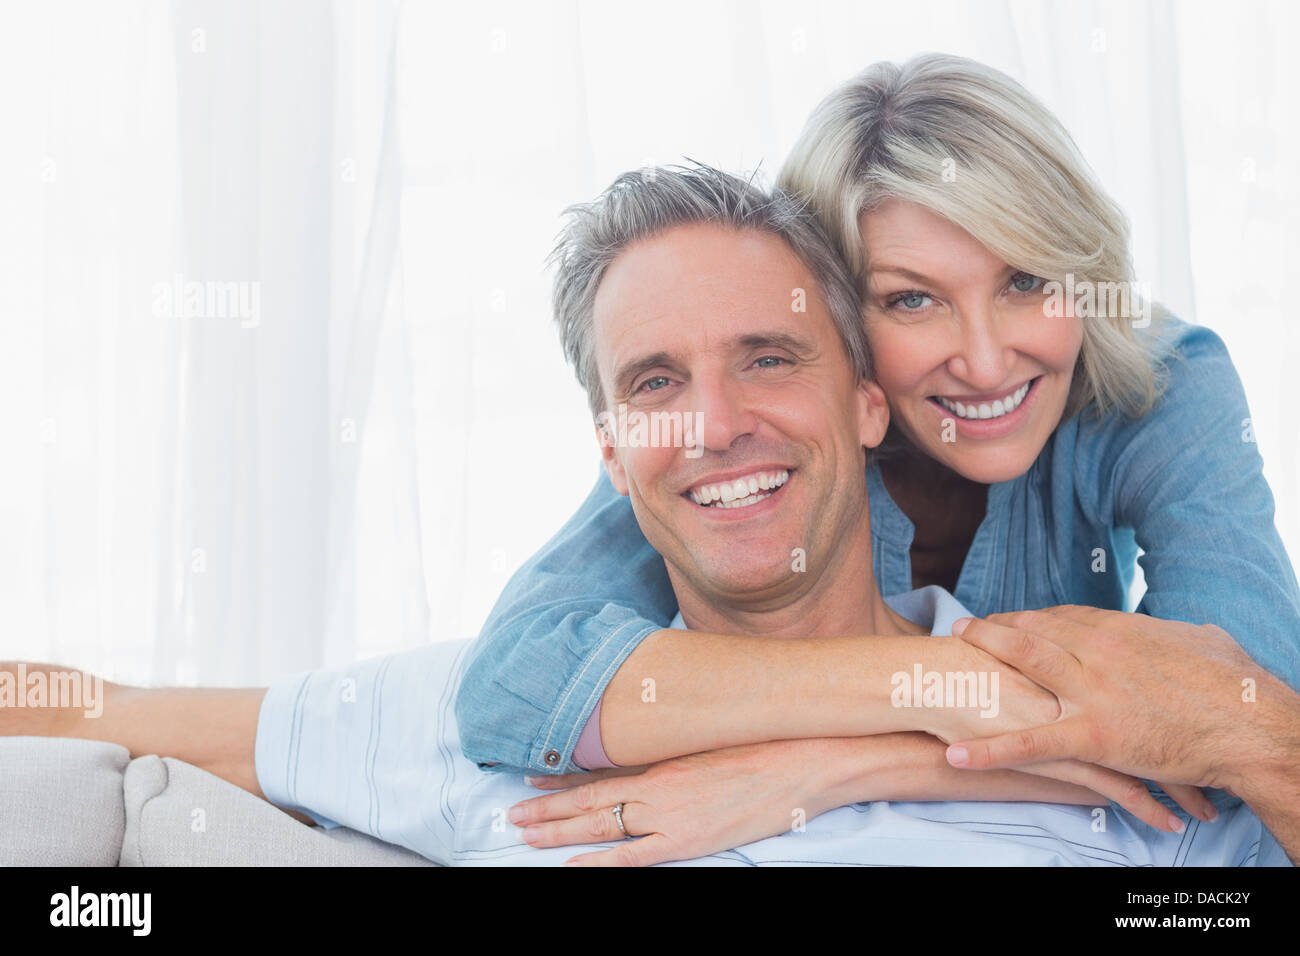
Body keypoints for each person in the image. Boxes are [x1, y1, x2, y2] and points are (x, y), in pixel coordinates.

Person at [5, 165, 1289, 865]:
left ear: (865, 406)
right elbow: (85, 710)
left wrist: (821, 766)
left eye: (768, 359)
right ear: (612, 454)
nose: (713, 423)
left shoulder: (1097, 727)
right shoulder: (483, 718)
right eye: (656, 383)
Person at [453, 54, 1300, 788]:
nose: (986, 361)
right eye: (913, 299)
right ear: (837, 328)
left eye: (1027, 281)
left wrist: (823, 768)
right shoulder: (759, 427)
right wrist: (933, 696)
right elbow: (517, 680)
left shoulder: (1163, 381)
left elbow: (1237, 722)